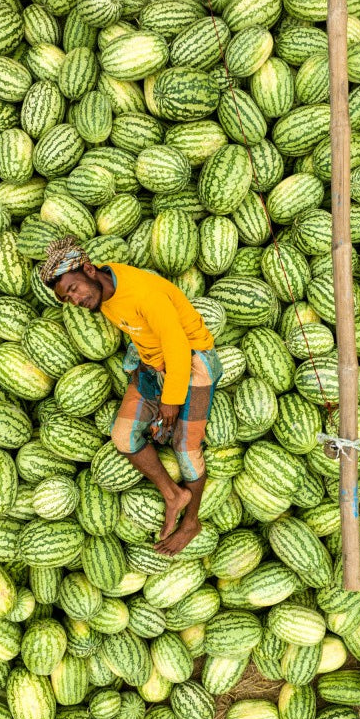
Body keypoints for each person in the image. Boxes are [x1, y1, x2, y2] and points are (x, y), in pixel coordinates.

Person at [39, 236, 222, 555]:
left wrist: (171, 400)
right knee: (122, 437)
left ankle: (192, 522)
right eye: (67, 299)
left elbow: (177, 344)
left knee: (185, 446)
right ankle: (173, 494)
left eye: (73, 289)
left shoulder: (142, 292)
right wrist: (139, 366)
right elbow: (136, 328)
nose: (75, 299)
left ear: (88, 270)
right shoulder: (104, 291)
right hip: (153, 364)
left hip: (192, 362)